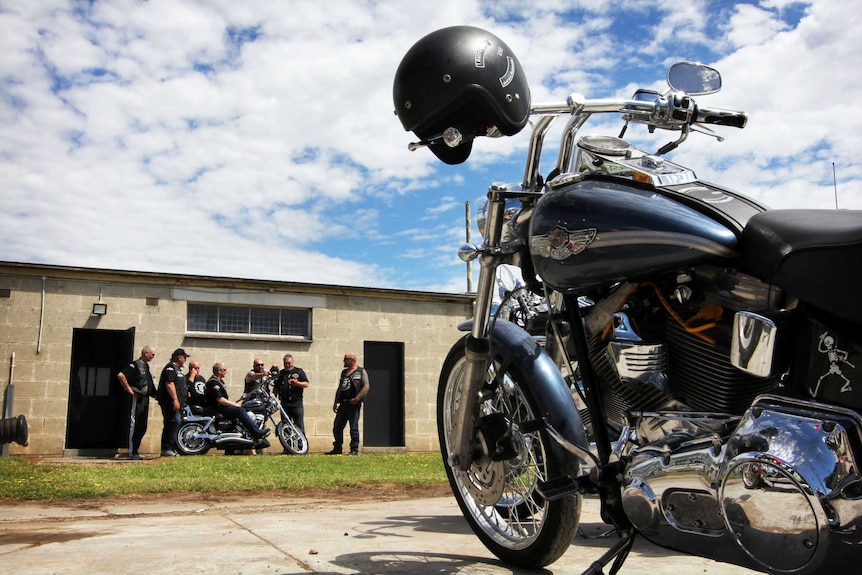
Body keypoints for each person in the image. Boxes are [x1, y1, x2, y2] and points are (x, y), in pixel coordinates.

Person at [205, 363, 270, 453]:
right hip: (217, 408)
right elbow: (220, 399)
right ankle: (256, 433)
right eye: (224, 370)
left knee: (237, 415)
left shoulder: (219, 381)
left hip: (221, 407)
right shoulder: (213, 383)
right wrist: (234, 404)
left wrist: (234, 403)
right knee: (240, 411)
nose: (226, 372)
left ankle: (231, 448)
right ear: (219, 371)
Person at [116, 346, 156, 460]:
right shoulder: (135, 365)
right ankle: (132, 451)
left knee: (142, 426)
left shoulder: (146, 366)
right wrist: (129, 389)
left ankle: (135, 451)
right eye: (152, 354)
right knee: (135, 424)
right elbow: (121, 375)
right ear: (146, 353)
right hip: (137, 399)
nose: (153, 357)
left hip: (145, 399)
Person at [326, 352, 369, 456]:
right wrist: (336, 402)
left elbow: (366, 386)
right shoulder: (344, 372)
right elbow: (340, 388)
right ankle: (337, 448)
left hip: (353, 404)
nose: (344, 361)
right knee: (337, 427)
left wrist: (357, 398)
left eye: (346, 359)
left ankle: (354, 449)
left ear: (353, 360)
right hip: (343, 404)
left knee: (353, 427)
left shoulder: (361, 371)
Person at [157, 348, 189, 457]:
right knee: (172, 422)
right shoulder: (170, 368)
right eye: (184, 357)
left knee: (175, 423)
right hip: (170, 402)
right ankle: (166, 448)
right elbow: (169, 384)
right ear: (179, 358)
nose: (185, 360)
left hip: (178, 402)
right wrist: (175, 400)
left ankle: (171, 447)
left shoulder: (178, 369)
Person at [273, 354, 310, 434]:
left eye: (289, 363)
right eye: (285, 363)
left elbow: (306, 384)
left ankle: (302, 445)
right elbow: (276, 387)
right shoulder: (281, 373)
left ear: (293, 362)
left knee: (299, 426)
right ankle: (287, 446)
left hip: (296, 404)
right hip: (284, 405)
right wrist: (274, 398)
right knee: (285, 427)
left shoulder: (299, 371)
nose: (287, 365)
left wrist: (297, 383)